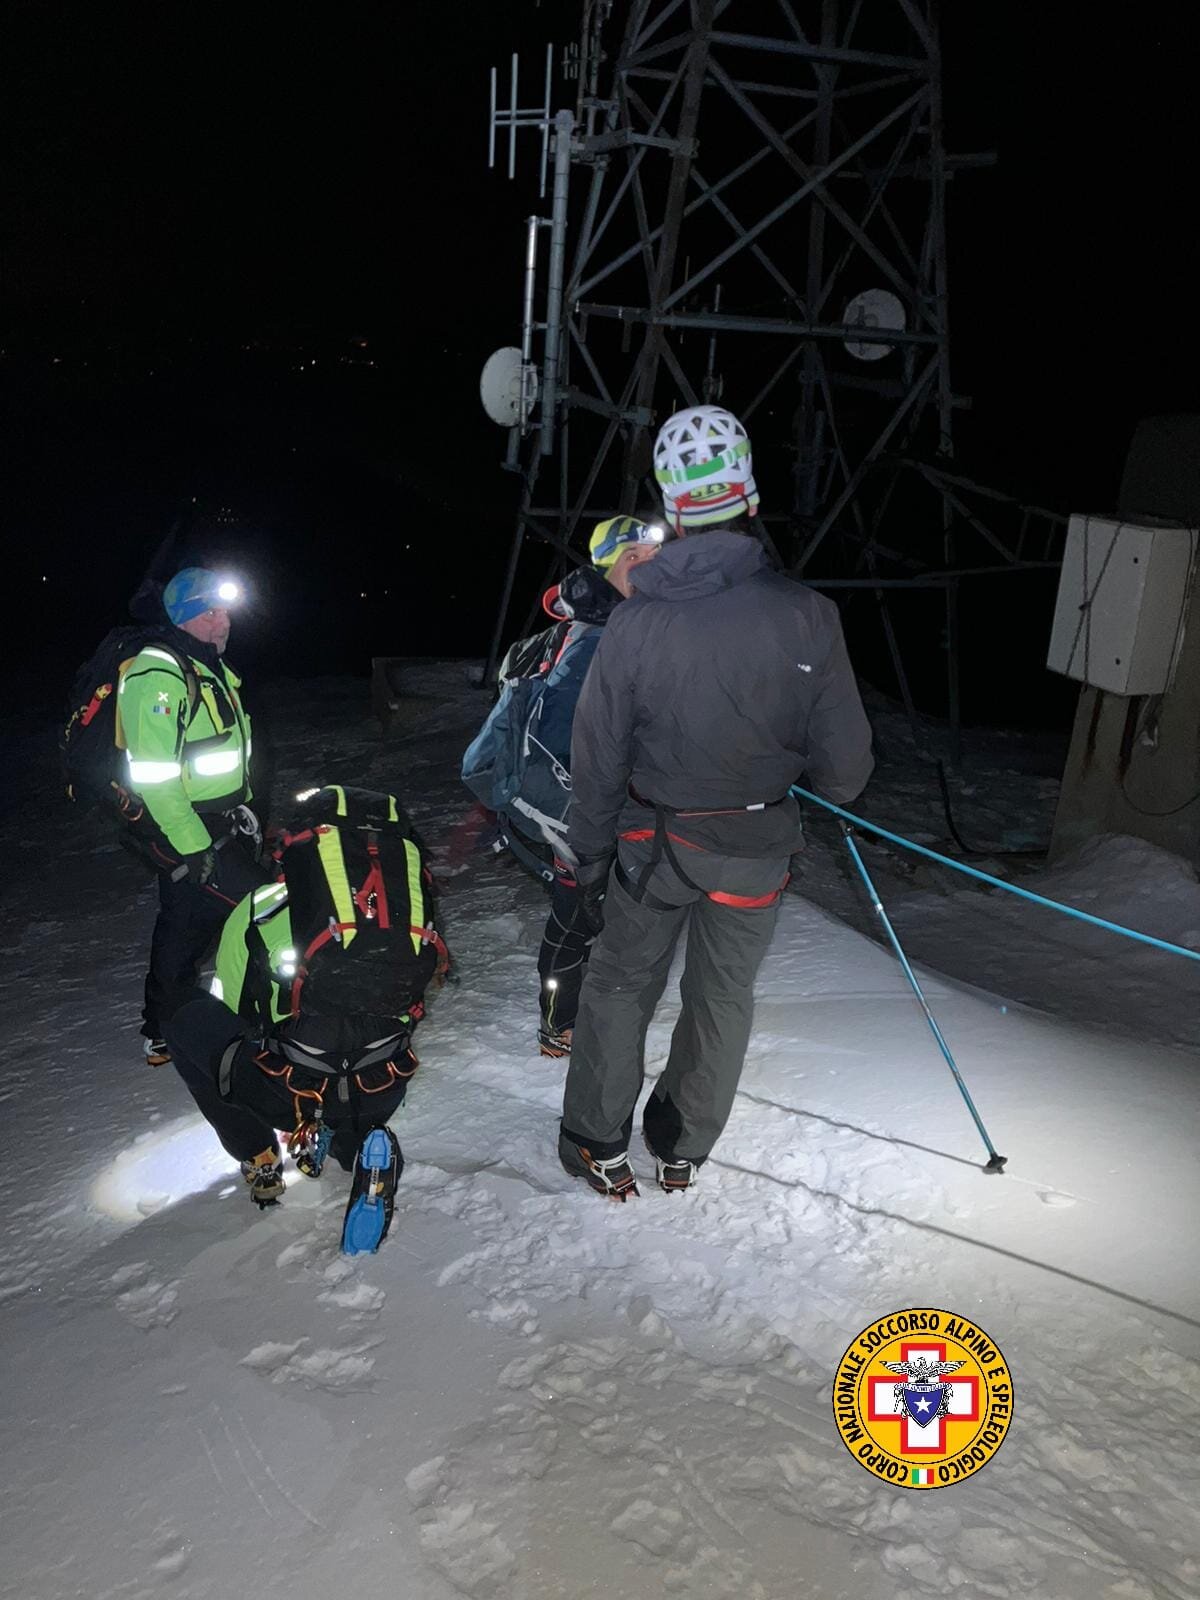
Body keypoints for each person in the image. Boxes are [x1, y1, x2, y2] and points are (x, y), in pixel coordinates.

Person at [558, 405, 874, 1199]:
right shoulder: (809, 617)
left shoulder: (634, 624)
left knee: (621, 983)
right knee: (722, 993)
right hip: (754, 851)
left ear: (671, 510)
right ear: (751, 499)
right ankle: (682, 1141)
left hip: (652, 849)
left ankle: (597, 1138)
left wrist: (589, 853)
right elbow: (847, 773)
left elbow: (595, 759)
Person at [163, 784, 442, 1254]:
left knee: (184, 1020)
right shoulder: (400, 917)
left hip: (289, 1088)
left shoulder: (256, 910)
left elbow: (232, 1008)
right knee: (349, 1054)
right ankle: (355, 1148)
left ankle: (260, 1158)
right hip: (381, 1084)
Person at [463, 517, 665, 1056]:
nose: (650, 568)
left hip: (561, 809)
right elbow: (564, 740)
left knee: (587, 914)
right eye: (637, 558)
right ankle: (559, 1024)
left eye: (655, 557)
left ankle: (578, 1010)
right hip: (567, 815)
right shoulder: (598, 639)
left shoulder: (590, 626)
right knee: (576, 918)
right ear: (610, 567)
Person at [119, 567, 266, 1065]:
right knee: (255, 913)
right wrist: (193, 844)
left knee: (187, 924)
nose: (225, 621)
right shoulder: (158, 674)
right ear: (189, 617)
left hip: (223, 822)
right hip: (188, 827)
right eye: (214, 612)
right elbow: (155, 776)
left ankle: (165, 1028)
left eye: (226, 611)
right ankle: (231, 1025)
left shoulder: (204, 664)